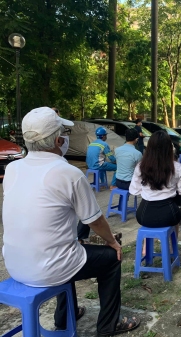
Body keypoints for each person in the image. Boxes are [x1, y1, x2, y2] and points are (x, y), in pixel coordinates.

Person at [2, 107, 140, 335]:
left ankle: (65, 315)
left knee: (73, 249)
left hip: (15, 265)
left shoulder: (13, 169)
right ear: (58, 140)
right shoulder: (69, 173)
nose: (66, 138)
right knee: (110, 259)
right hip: (50, 267)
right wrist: (112, 242)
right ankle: (108, 325)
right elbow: (94, 220)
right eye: (64, 133)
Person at [129, 130, 181, 236]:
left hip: (144, 215)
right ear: (170, 148)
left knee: (147, 225)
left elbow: (134, 190)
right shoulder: (177, 167)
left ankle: (144, 247)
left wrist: (149, 189)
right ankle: (172, 246)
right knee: (176, 208)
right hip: (169, 214)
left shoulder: (141, 166)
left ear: (149, 148)